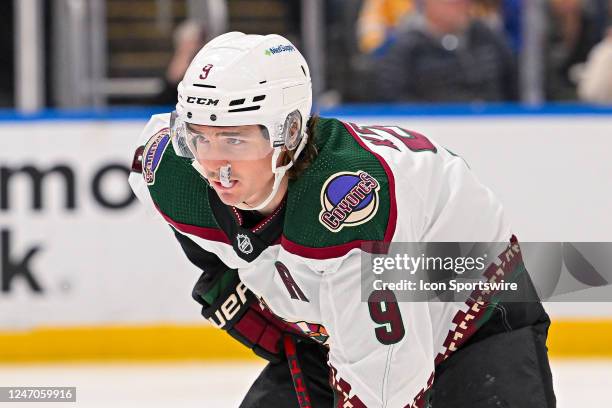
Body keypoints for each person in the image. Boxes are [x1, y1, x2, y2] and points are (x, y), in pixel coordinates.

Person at [129, 32, 555, 407]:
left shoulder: (348, 205)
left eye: (236, 139)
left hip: (477, 319)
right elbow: (184, 213)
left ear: (289, 134)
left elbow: (387, 386)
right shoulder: (172, 172)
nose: (215, 164)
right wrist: (224, 280)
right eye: (200, 137)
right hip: (342, 334)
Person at [375, 0, 518, 102]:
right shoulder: (404, 45)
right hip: (430, 131)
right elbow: (392, 96)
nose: (461, 5)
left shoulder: (488, 38)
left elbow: (513, 85)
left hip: (494, 126)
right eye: (451, 2)